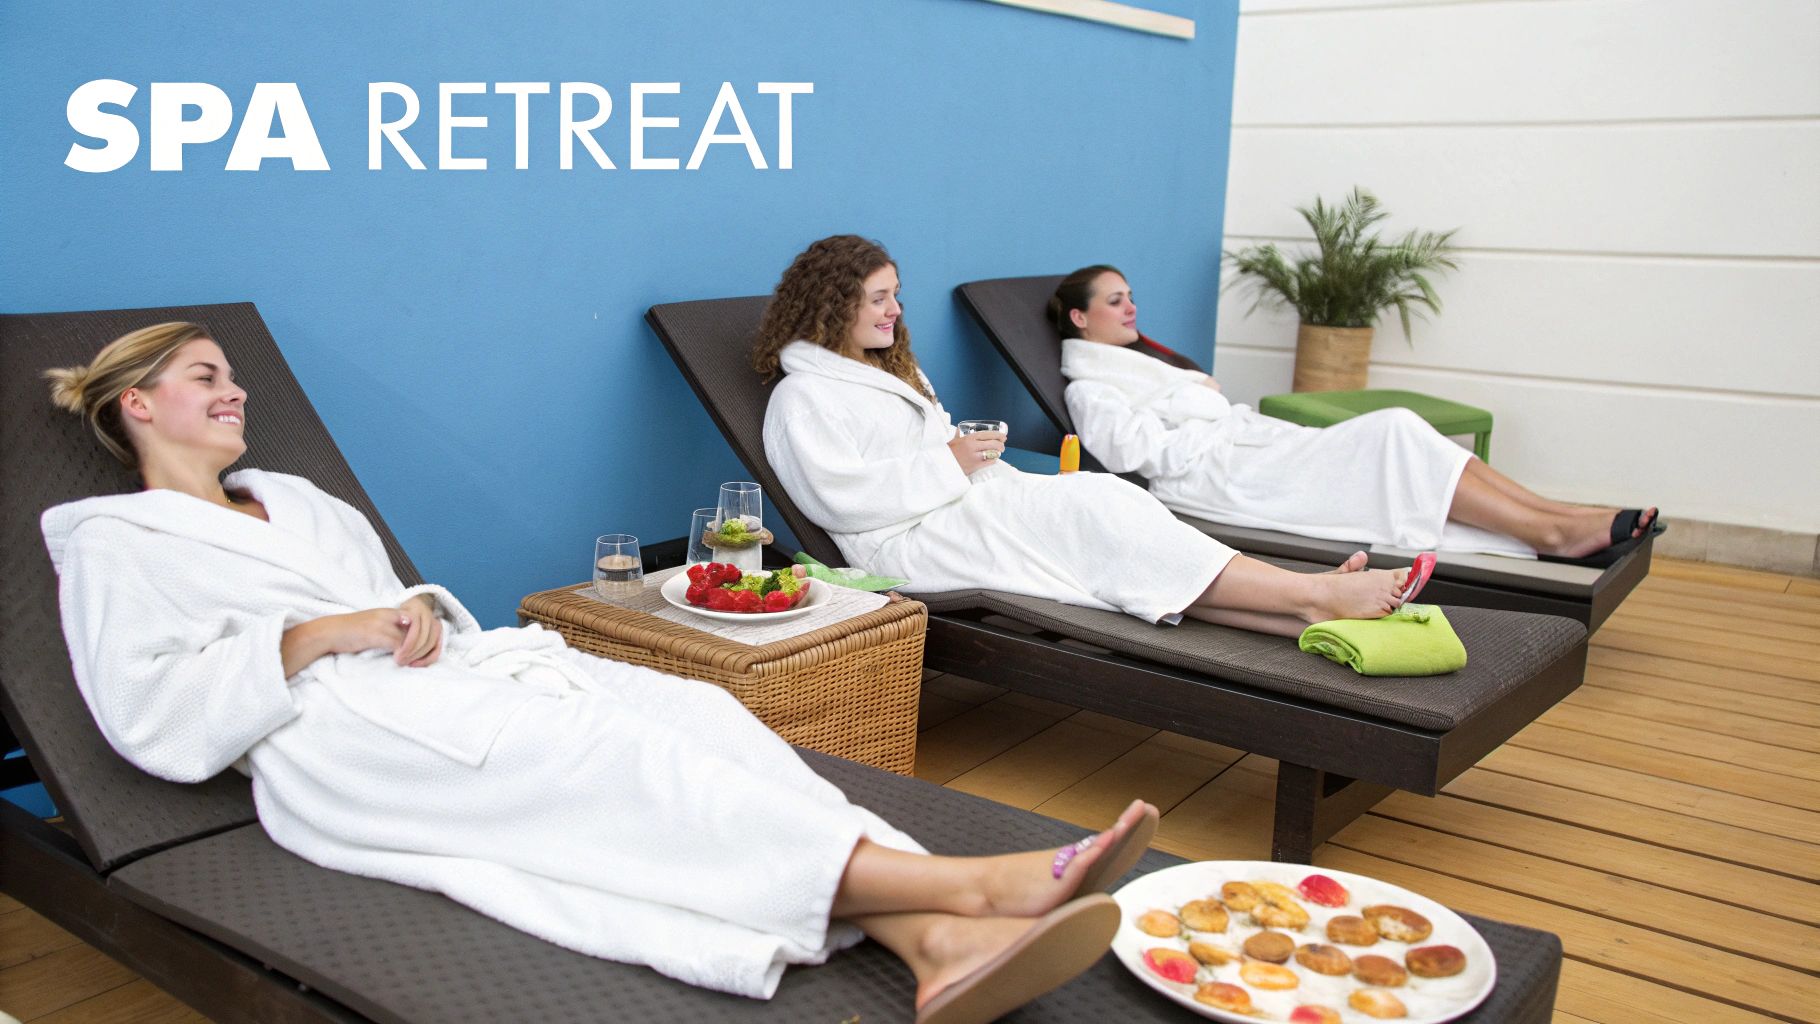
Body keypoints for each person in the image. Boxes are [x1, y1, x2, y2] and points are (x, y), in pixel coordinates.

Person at [41, 321, 1161, 1024]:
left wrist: (414, 616)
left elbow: (398, 604)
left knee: (697, 713)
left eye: (234, 375)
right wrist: (319, 636)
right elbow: (146, 707)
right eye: (207, 377)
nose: (236, 391)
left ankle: (934, 943)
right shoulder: (114, 542)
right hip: (336, 738)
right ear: (137, 403)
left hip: (449, 679)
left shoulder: (299, 499)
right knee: (614, 760)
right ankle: (973, 889)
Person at [757, 235, 1415, 639]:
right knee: (1098, 511)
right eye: (879, 298)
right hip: (912, 542)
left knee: (1111, 512)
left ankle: (1303, 606)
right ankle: (1313, 591)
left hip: (965, 504)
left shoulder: (888, 370)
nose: (896, 311)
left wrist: (964, 455)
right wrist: (951, 463)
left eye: (896, 295)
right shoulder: (803, 398)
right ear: (833, 304)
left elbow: (928, 448)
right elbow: (836, 501)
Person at [1050, 265, 1658, 562]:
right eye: (1115, 301)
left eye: (1130, 297)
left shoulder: (1142, 367)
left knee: (1401, 432)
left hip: (1247, 447)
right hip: (1221, 474)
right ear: (1080, 318)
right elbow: (1135, 455)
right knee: (1394, 431)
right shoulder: (1091, 388)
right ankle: (1550, 533)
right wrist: (1203, 430)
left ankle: (1560, 516)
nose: (1131, 308)